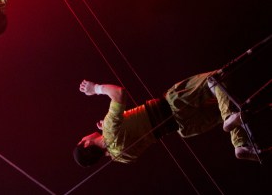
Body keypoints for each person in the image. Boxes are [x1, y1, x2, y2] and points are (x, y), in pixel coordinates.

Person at [73, 71, 260, 166]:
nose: (84, 137)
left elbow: (133, 132)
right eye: (83, 140)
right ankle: (230, 120)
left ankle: (240, 144)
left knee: (234, 108)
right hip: (174, 104)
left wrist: (112, 122)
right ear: (87, 145)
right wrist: (95, 88)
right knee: (217, 78)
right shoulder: (109, 129)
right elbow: (119, 94)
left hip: (183, 127)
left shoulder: (119, 157)